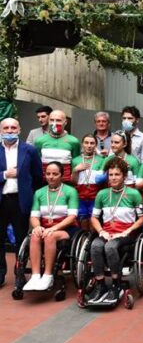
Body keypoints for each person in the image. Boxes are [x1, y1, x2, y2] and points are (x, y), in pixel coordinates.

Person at [88, 157, 143, 304]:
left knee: (110, 247)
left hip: (126, 233)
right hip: (107, 232)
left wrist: (128, 231)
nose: (113, 178)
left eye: (117, 174)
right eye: (111, 174)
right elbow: (94, 218)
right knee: (95, 245)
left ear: (124, 176)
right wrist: (101, 231)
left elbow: (142, 219)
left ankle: (116, 283)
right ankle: (100, 284)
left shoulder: (134, 194)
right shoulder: (102, 194)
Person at [22, 162, 79, 291]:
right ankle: (35, 276)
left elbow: (72, 217)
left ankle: (48, 275)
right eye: (48, 174)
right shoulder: (39, 192)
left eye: (55, 174)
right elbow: (34, 216)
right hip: (45, 227)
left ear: (62, 175)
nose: (51, 177)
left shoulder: (71, 191)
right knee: (35, 235)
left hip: (67, 228)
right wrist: (37, 227)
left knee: (50, 236)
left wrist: (54, 228)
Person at [0, 118, 43, 287]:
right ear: (1, 131)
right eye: (6, 128)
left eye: (13, 128)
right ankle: (0, 273)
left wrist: (31, 196)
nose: (10, 131)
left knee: (21, 239)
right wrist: (4, 174)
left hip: (20, 201)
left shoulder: (29, 150)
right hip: (2, 200)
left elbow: (38, 176)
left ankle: (19, 273)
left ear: (19, 130)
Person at [34, 110, 80, 181]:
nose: (54, 123)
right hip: (44, 182)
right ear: (48, 121)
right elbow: (37, 164)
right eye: (52, 120)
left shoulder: (74, 141)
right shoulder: (39, 141)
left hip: (66, 182)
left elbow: (75, 163)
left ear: (65, 122)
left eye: (58, 120)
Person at [71, 134, 105, 231]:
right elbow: (73, 182)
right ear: (82, 144)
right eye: (86, 143)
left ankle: (92, 240)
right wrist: (75, 170)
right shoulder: (75, 160)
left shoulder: (101, 160)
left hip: (95, 197)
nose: (89, 145)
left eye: (92, 143)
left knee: (93, 223)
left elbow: (102, 181)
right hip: (80, 197)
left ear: (95, 145)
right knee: (82, 223)